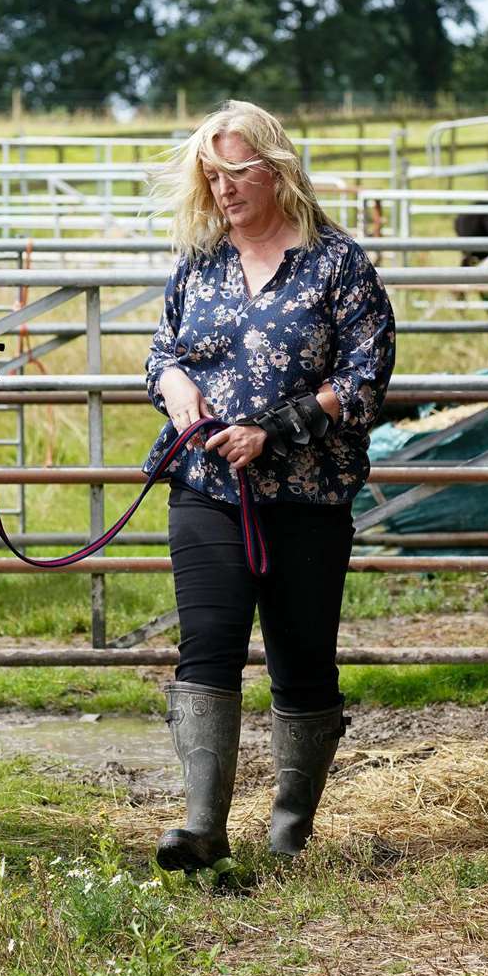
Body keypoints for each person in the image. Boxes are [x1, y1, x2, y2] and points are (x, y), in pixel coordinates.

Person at [144, 100, 396, 870]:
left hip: (307, 498)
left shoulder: (338, 266)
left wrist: (276, 428)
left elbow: (366, 379)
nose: (224, 188)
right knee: (208, 648)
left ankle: (289, 833)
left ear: (277, 170)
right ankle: (202, 829)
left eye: (239, 171)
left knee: (302, 658)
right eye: (212, 175)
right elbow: (161, 353)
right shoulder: (200, 262)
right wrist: (179, 388)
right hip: (206, 488)